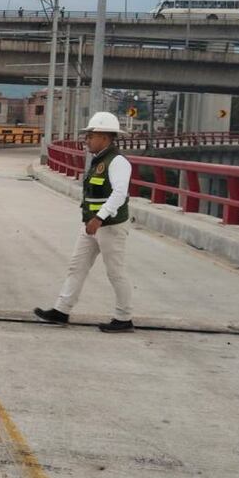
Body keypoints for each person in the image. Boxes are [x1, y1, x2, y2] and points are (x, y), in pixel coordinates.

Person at [35, 111, 135, 333]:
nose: (86, 140)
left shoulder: (117, 161)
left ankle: (124, 317)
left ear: (105, 137)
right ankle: (61, 310)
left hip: (110, 226)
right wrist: (93, 219)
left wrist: (100, 217)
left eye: (91, 135)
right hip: (91, 224)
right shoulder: (99, 160)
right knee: (77, 266)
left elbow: (120, 193)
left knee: (115, 271)